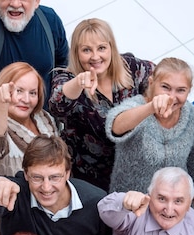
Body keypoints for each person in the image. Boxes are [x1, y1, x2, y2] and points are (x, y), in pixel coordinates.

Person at [49, 18, 153, 191]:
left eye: (102, 48)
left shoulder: (131, 67)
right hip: (91, 177)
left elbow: (162, 77)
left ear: (111, 48)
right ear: (75, 52)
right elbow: (56, 105)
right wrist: (79, 82)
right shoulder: (66, 79)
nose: (95, 56)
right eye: (86, 50)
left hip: (133, 169)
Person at [106, 57, 194, 205]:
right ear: (152, 83)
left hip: (170, 207)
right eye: (165, 87)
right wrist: (151, 107)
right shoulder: (137, 106)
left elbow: (193, 160)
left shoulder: (190, 113)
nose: (171, 96)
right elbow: (115, 126)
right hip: (130, 204)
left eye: (181, 90)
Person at [0, 0, 68, 109]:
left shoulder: (50, 20)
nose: (15, 4)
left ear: (36, 2)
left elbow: (63, 66)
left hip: (42, 119)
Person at [0, 62, 58, 179]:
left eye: (33, 93)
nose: (26, 99)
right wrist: (1, 103)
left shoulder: (44, 118)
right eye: (19, 91)